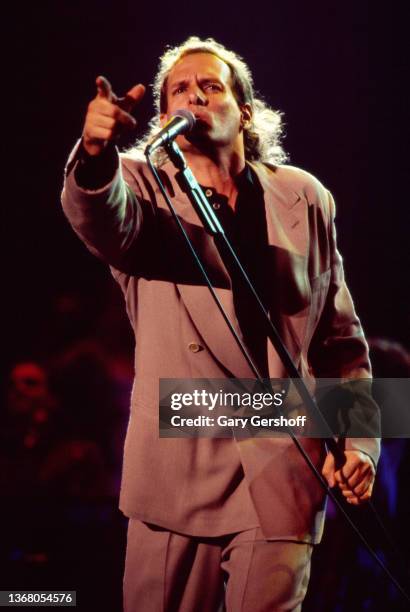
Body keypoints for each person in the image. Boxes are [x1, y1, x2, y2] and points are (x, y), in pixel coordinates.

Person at [61, 36, 380, 612]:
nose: (196, 97)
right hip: (176, 470)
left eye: (212, 87)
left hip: (282, 464)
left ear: (246, 111)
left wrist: (361, 442)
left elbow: (340, 342)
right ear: (162, 119)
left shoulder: (304, 196)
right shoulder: (138, 184)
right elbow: (99, 217)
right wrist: (93, 152)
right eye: (180, 90)